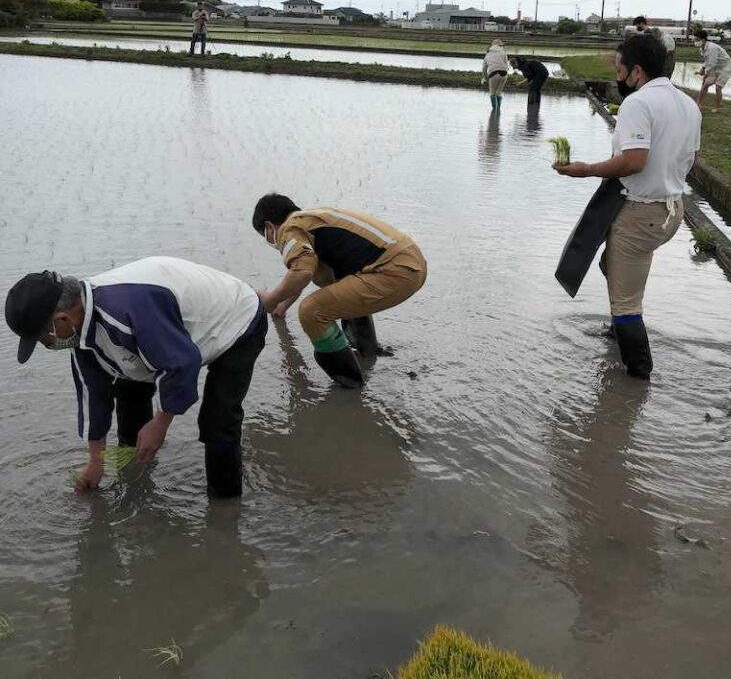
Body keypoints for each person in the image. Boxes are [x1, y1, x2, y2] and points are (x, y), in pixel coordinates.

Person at [3, 256, 267, 497]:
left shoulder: (126, 312)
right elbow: (94, 396)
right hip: (173, 334)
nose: (45, 345)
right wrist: (96, 462)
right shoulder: (80, 330)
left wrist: (160, 424)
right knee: (127, 387)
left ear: (62, 319)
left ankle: (224, 507)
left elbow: (181, 363)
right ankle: (137, 478)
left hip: (236, 321)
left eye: (42, 338)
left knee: (218, 419)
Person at [553, 33, 701, 379]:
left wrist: (586, 170)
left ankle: (637, 381)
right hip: (671, 210)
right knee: (612, 264)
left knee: (627, 304)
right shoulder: (688, 104)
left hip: (641, 214)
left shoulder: (638, 103)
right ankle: (614, 333)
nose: (618, 77)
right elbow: (690, 158)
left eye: (620, 70)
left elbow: (633, 161)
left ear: (636, 71)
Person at [252, 195, 427, 388]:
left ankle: (350, 384)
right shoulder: (312, 219)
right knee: (337, 283)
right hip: (411, 262)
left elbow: (302, 271)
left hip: (395, 270)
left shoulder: (288, 228)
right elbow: (307, 269)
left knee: (311, 311)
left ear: (269, 228)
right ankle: (367, 351)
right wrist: (282, 305)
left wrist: (269, 300)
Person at [695, 29, 731, 111]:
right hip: (716, 67)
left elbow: (712, 62)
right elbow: (707, 61)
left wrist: (706, 73)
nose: (695, 41)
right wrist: (702, 69)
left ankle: (716, 108)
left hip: (725, 67)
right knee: (705, 84)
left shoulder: (712, 48)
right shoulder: (702, 49)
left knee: (718, 87)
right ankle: (698, 104)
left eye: (697, 39)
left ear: (703, 40)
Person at [481, 39, 509, 112]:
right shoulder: (503, 53)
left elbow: (484, 68)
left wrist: (486, 78)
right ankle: (498, 111)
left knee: (492, 93)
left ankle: (494, 112)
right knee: (498, 93)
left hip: (493, 74)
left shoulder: (488, 54)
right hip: (504, 74)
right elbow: (507, 66)